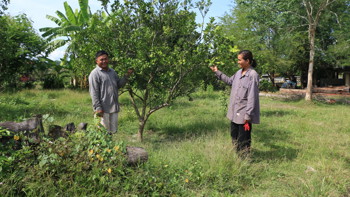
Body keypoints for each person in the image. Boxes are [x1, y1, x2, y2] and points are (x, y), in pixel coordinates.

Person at [210, 50, 260, 156]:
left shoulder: (253, 75)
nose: (238, 62)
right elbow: (229, 81)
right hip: (234, 112)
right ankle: (237, 157)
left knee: (244, 139)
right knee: (234, 136)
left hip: (244, 114)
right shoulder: (238, 73)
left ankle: (244, 159)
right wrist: (217, 71)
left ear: (247, 61)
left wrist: (248, 114)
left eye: (239, 60)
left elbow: (252, 97)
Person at [89, 50, 133, 134]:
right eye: (101, 60)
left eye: (105, 59)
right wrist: (98, 108)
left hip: (113, 108)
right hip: (102, 109)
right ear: (96, 61)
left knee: (112, 132)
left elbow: (119, 85)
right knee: (102, 134)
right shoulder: (94, 74)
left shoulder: (112, 72)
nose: (104, 61)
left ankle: (110, 147)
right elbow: (94, 92)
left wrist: (127, 75)